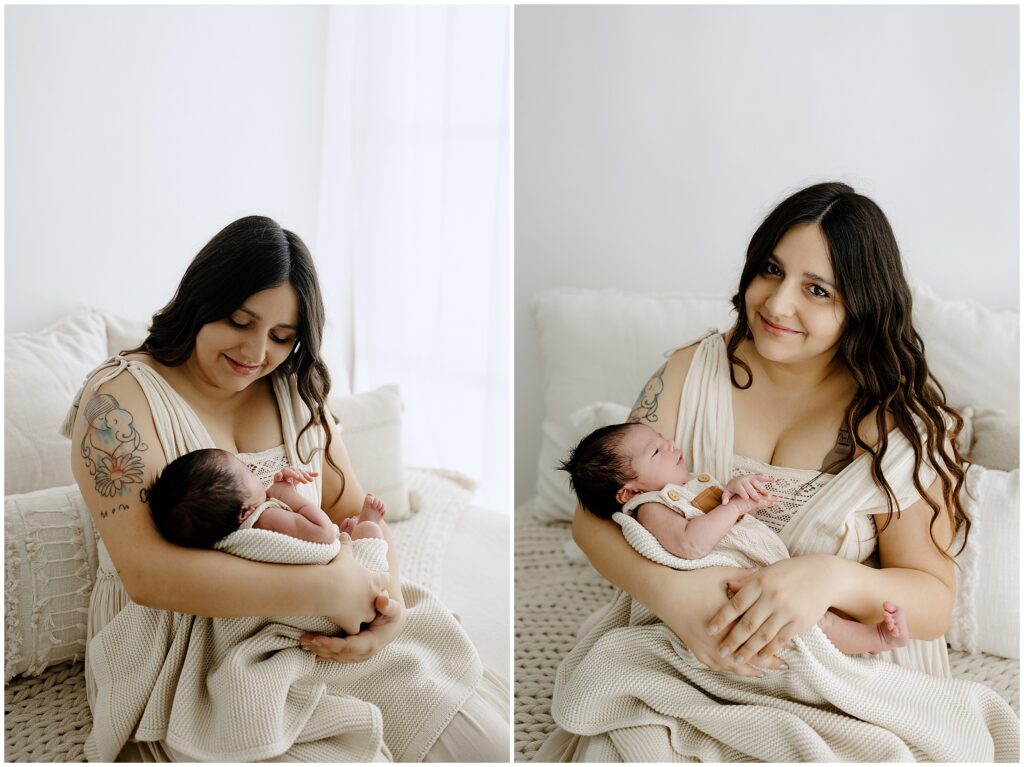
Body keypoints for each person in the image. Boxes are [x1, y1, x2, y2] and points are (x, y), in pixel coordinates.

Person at [537, 182, 998, 761]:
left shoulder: (895, 426)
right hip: (686, 650)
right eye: (772, 270)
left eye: (817, 289)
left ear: (860, 304)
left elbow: (933, 602)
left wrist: (829, 578)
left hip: (836, 674)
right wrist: (678, 600)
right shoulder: (691, 370)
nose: (779, 305)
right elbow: (594, 515)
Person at [66, 215, 508, 762]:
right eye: (239, 321)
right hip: (195, 653)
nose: (256, 353)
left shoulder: (295, 394)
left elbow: (355, 512)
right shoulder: (119, 402)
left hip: (329, 626)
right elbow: (148, 575)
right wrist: (329, 592)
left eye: (281, 337)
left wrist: (381, 610)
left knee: (485, 743)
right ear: (199, 302)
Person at [561, 421, 910, 655]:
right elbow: (690, 545)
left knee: (818, 606)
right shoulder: (650, 507)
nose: (668, 445)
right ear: (627, 493)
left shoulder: (688, 486)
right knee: (815, 623)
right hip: (731, 590)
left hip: (769, 568)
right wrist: (735, 506)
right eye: (655, 452)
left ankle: (861, 632)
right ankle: (875, 638)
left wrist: (734, 493)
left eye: (661, 439)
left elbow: (730, 525)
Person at [147, 450, 385, 549]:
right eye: (248, 473)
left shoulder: (226, 539)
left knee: (344, 536)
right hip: (336, 587)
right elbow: (321, 534)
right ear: (243, 512)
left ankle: (348, 538)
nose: (257, 476)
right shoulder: (265, 518)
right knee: (371, 538)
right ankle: (366, 528)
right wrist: (286, 494)